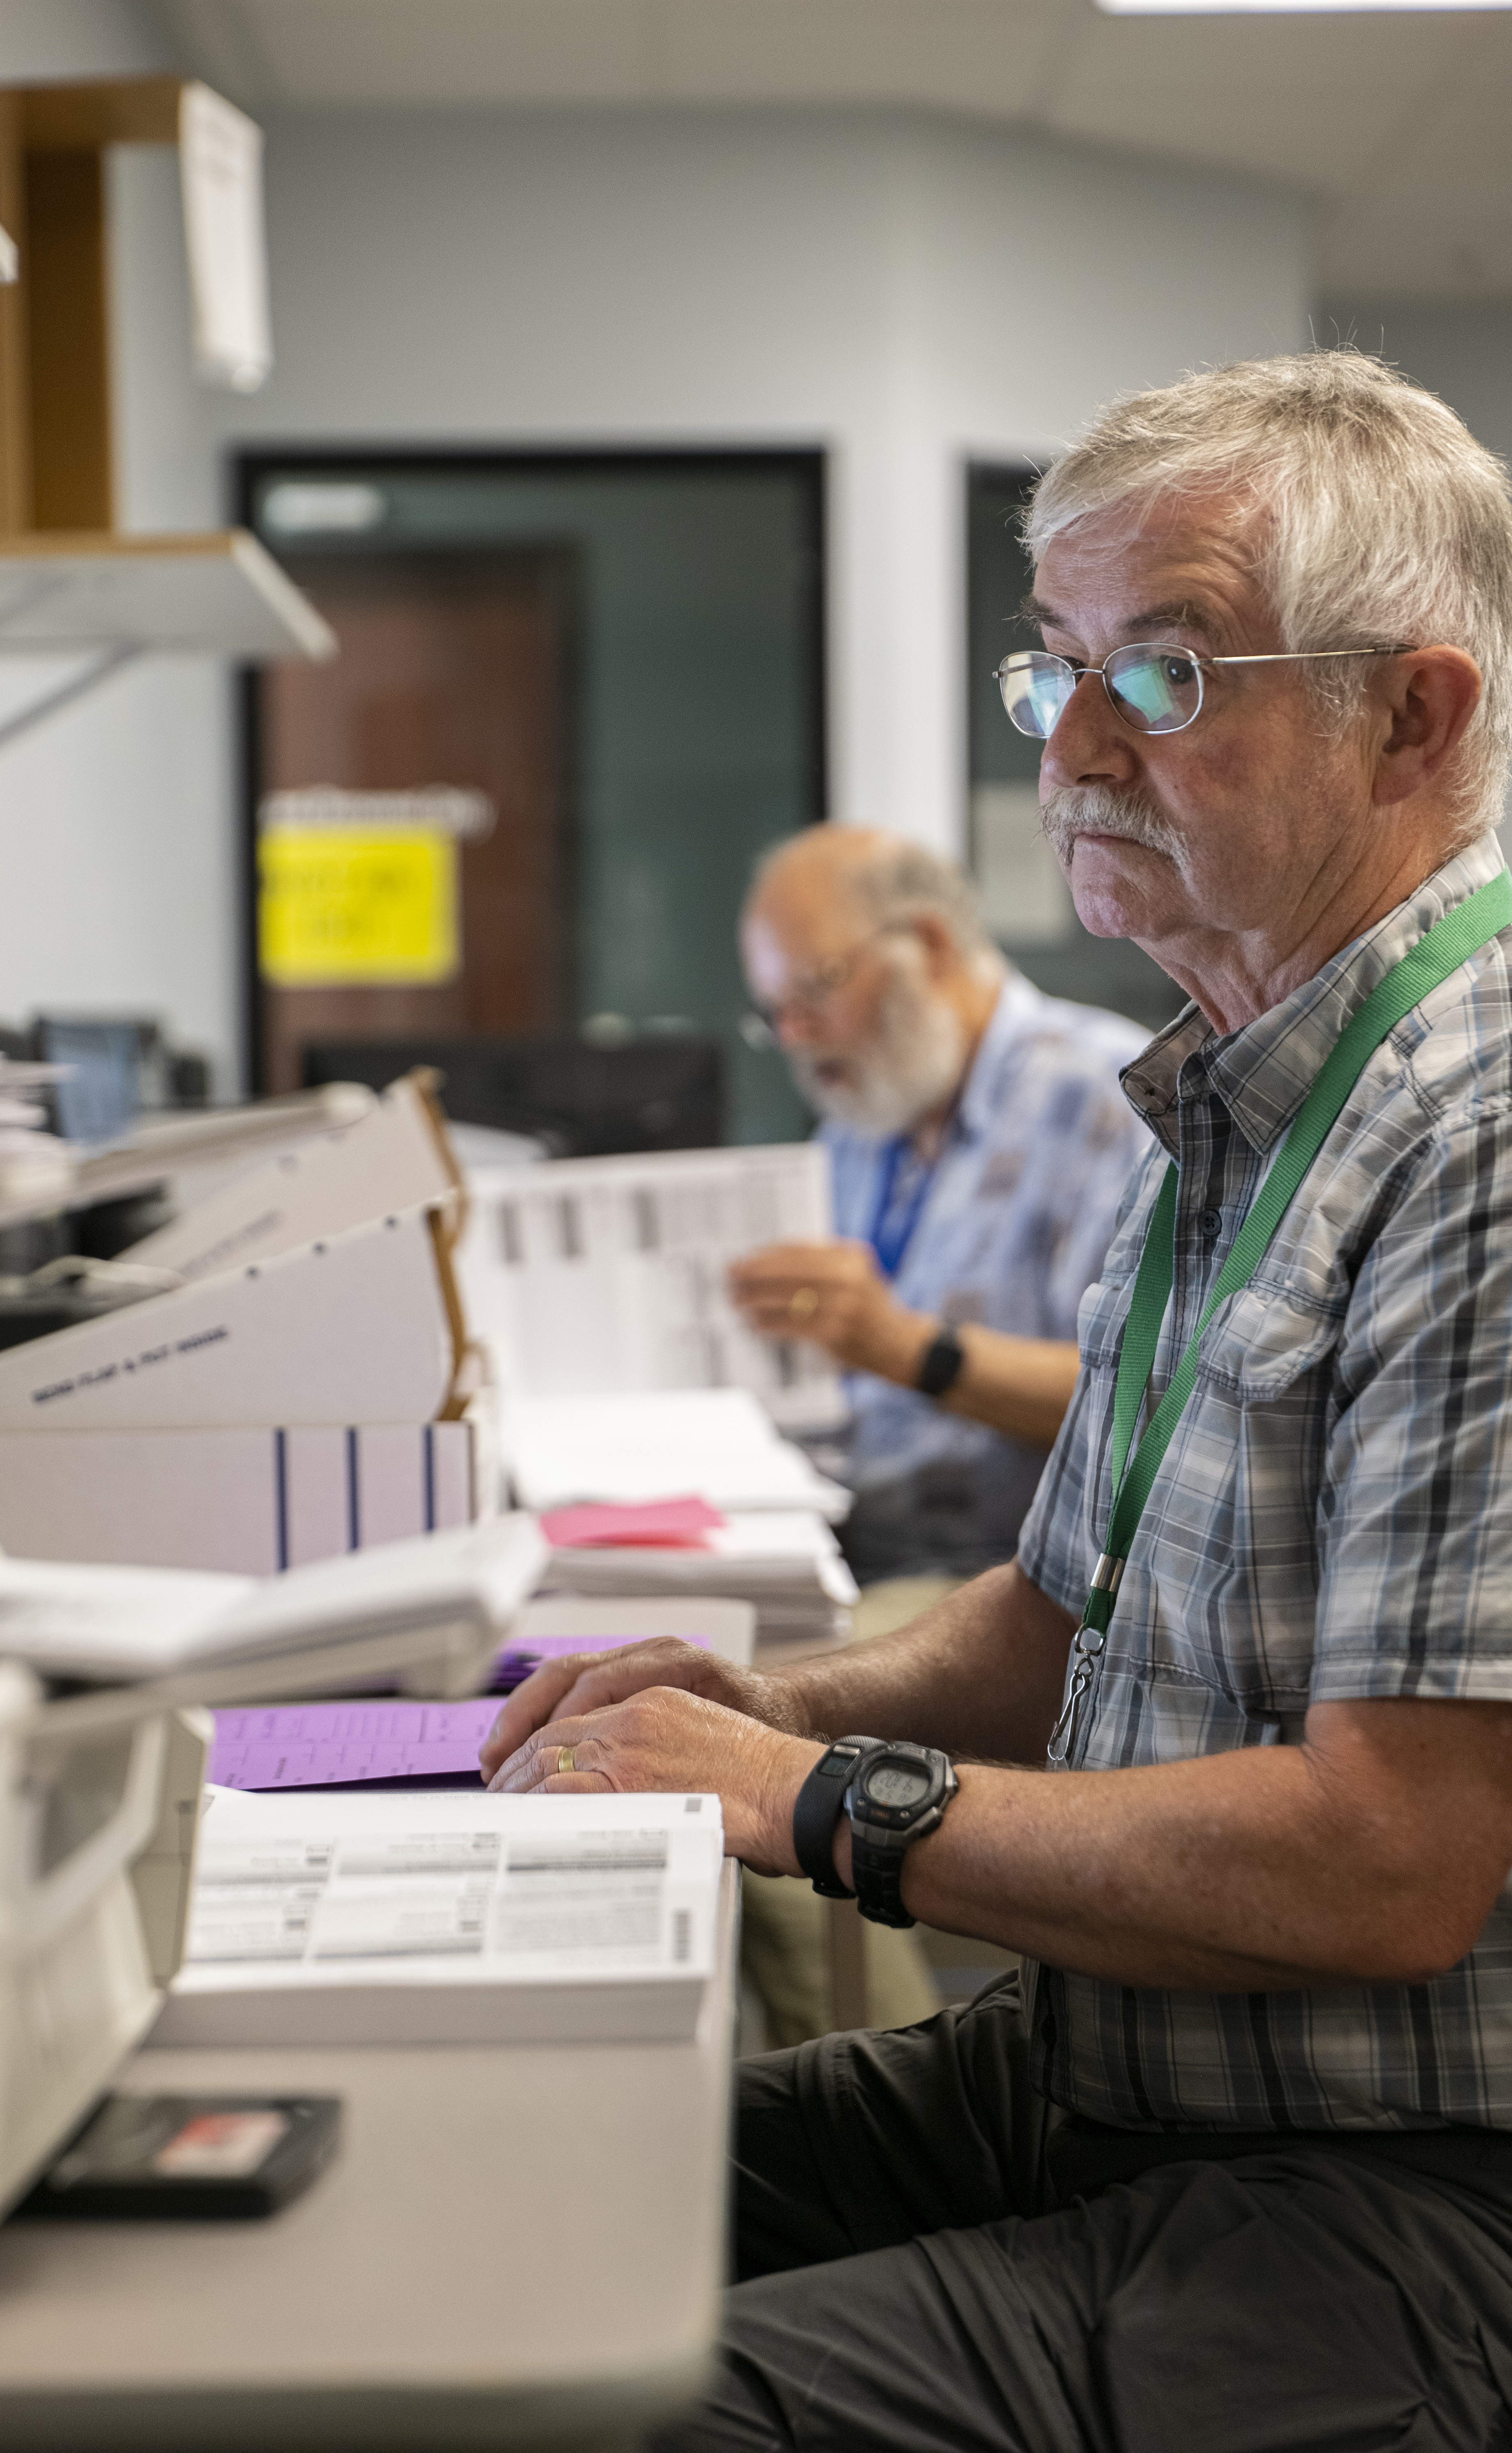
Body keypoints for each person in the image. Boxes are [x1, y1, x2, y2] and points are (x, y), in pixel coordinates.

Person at [482, 350, 1512, 2449]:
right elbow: (1060, 1622)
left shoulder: (1473, 1126)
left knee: (597, 2408)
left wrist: (816, 1806)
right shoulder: (1224, 1091)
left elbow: (1383, 1861)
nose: (1074, 750)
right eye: (1052, 673)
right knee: (467, 2222)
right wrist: (775, 1704)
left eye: (1164, 672)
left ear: (1409, 713)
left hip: (1392, 2203)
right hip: (1106, 2072)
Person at [728, 828, 1147, 1593]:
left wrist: (909, 1348)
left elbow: (1149, 1398)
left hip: (1011, 1591)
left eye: (816, 989)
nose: (794, 1036)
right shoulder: (861, 1124)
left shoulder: (1109, 1099)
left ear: (927, 944)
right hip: (845, 1553)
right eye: (775, 1011)